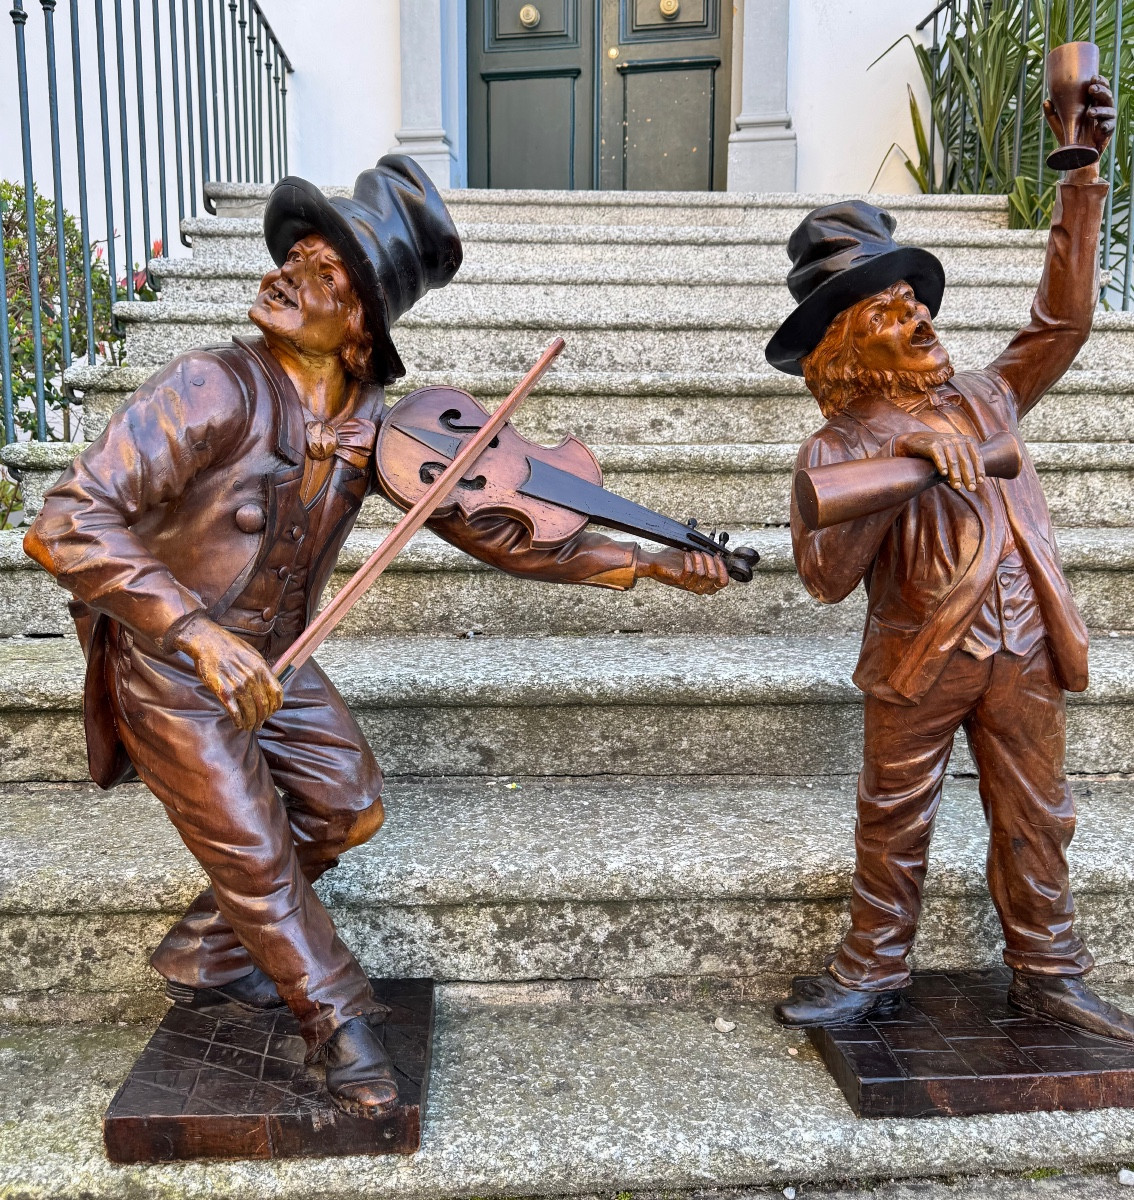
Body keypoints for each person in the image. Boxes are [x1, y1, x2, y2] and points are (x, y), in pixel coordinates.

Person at [24, 155, 729, 1117]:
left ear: (361, 326)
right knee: (258, 851)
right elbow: (67, 520)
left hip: (274, 660)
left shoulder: (377, 427)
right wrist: (193, 633)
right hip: (171, 661)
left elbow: (509, 533)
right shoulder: (207, 387)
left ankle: (206, 951)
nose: (285, 275)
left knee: (347, 807)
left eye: (321, 273)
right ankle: (342, 1027)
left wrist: (648, 560)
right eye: (294, 257)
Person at [764, 79, 1134, 1043]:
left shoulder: (987, 394)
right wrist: (905, 460)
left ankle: (1049, 971)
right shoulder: (839, 446)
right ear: (847, 346)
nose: (921, 318)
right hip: (923, 653)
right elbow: (825, 575)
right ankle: (872, 967)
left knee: (1039, 813)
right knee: (894, 813)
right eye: (890, 313)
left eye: (916, 301)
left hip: (1023, 645)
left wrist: (1081, 180)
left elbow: (1060, 326)